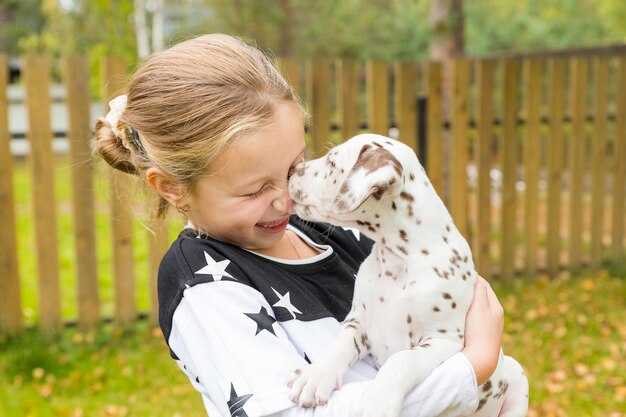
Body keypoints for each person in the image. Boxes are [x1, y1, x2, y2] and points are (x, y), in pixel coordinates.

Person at [94, 34, 528, 417]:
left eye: (294, 167)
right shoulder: (202, 284)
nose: (286, 198)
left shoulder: (337, 233)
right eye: (253, 191)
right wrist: (473, 367)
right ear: (171, 187)